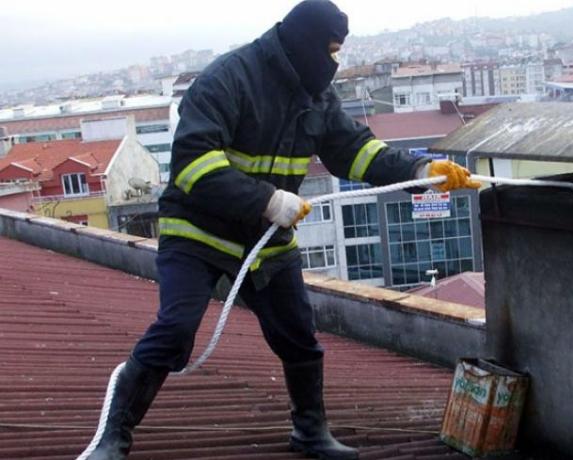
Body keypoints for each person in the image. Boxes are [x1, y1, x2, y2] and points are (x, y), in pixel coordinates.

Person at [79, 2, 480, 459]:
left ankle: (310, 433)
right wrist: (267, 200)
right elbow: (193, 164)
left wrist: (422, 169)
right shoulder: (229, 80)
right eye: (331, 50)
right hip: (198, 232)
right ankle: (113, 437)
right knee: (175, 329)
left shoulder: (316, 96)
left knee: (298, 336)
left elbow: (355, 151)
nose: (335, 62)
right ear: (305, 43)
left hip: (265, 239)